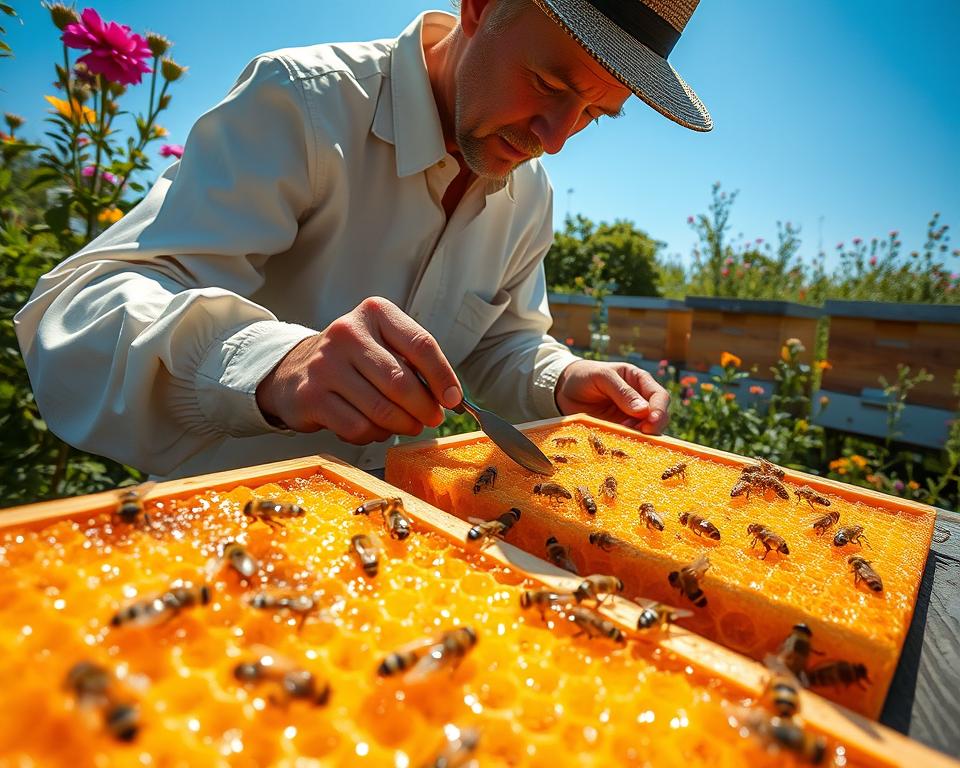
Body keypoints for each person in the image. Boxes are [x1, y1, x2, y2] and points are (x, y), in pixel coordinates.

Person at [15, 0, 712, 479]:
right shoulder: (303, 103)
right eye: (549, 81)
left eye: (594, 112)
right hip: (223, 544)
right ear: (479, 7)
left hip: (396, 556)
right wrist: (275, 363)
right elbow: (82, 311)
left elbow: (500, 342)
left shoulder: (529, 194)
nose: (555, 138)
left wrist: (561, 380)